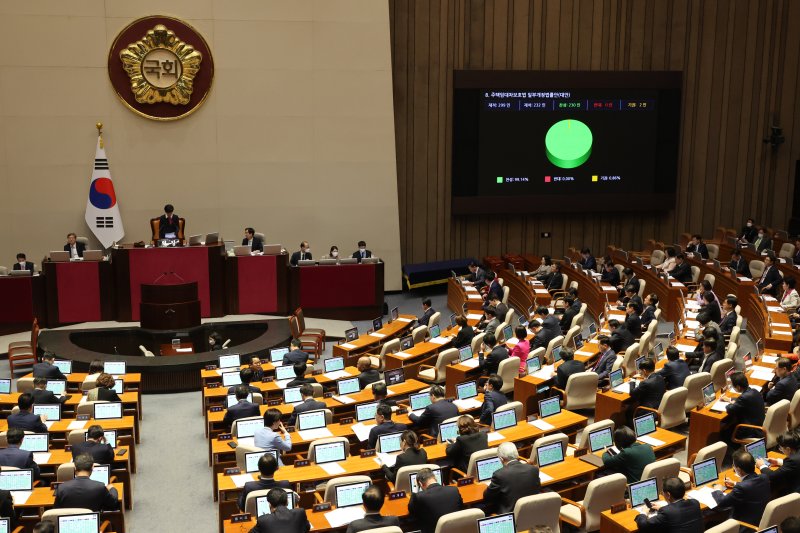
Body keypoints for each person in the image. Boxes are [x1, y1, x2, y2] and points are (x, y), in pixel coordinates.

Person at [711, 450, 770, 527]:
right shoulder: (764, 477)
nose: (733, 467)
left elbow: (722, 502)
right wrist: (735, 483)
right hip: (759, 519)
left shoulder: (741, 488)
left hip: (744, 525)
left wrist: (717, 489)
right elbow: (751, 486)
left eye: (733, 465)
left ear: (738, 469)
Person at [482, 442, 540, 514]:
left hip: (510, 515)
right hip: (532, 511)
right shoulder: (533, 469)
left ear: (501, 459)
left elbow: (487, 497)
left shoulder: (499, 474)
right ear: (517, 455)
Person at [633, 477, 703, 533]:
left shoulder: (667, 512)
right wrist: (662, 508)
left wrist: (644, 512)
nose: (662, 494)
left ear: (668, 494)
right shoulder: (695, 503)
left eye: (663, 492)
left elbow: (643, 526)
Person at [54, 453, 120, 511]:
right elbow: (113, 505)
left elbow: (56, 510)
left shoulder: (62, 488)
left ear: (75, 468)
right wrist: (112, 489)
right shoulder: (100, 487)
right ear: (92, 468)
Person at [408, 468, 464, 533]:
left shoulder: (419, 496)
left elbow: (411, 510)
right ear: (435, 478)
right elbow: (461, 506)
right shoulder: (454, 490)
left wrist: (415, 493)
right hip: (455, 529)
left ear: (420, 484)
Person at [719, 372, 765, 444]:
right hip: (757, 424)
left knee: (724, 432)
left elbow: (730, 410)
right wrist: (729, 399)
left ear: (738, 387)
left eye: (732, 385)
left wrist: (728, 404)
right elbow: (741, 401)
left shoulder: (744, 398)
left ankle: (732, 451)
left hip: (749, 430)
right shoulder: (754, 391)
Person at [758, 431, 800, 495]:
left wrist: (762, 465)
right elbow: (796, 463)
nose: (780, 450)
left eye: (781, 448)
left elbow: (772, 476)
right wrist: (777, 462)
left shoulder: (792, 460)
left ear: (788, 449)